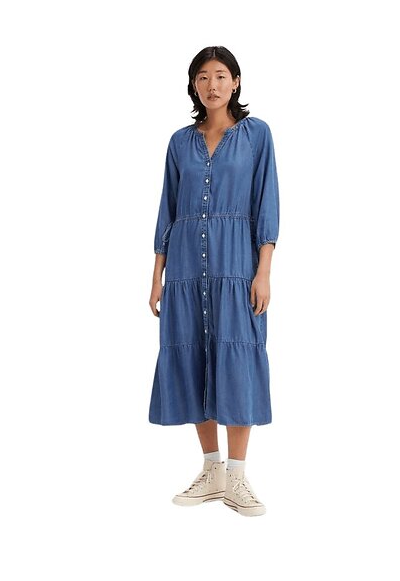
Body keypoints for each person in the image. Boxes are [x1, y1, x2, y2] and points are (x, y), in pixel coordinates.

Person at [148, 46, 280, 517]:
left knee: (236, 356)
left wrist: (263, 271)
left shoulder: (256, 135)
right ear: (193, 85)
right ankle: (212, 471)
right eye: (203, 77)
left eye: (221, 75)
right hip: (185, 269)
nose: (212, 85)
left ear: (236, 82)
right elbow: (167, 209)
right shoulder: (179, 142)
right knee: (194, 357)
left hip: (236, 264)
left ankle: (237, 477)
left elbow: (266, 203)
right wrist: (158, 276)